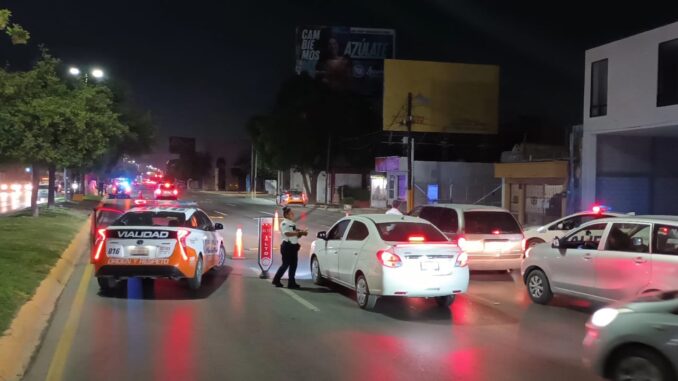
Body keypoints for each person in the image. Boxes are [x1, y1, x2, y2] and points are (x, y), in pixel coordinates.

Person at [272, 207, 307, 289]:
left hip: (293, 246)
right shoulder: (284, 223)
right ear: (286, 215)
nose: (293, 214)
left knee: (293, 265)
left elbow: (295, 235)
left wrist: (301, 233)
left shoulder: (292, 223)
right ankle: (276, 280)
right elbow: (287, 233)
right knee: (285, 265)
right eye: (291, 213)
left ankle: (291, 282)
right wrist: (298, 233)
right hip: (287, 246)